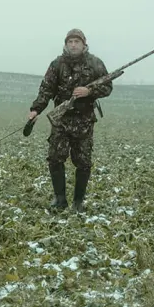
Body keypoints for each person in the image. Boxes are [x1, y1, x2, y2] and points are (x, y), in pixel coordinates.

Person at [27, 28, 112, 213]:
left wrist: (89, 92)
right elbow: (46, 90)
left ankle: (78, 202)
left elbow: (107, 87)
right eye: (70, 42)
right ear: (66, 44)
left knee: (83, 162)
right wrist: (35, 109)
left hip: (84, 120)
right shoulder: (57, 64)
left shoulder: (95, 63)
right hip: (61, 120)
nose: (73, 45)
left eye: (77, 42)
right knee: (55, 159)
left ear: (84, 44)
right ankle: (60, 200)